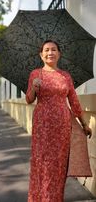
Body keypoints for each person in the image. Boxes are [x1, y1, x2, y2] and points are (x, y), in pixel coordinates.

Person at [26, 39, 92, 202]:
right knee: (43, 162)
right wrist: (34, 88)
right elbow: (28, 99)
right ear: (41, 55)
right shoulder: (36, 74)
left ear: (59, 54)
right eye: (47, 50)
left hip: (62, 125)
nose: (50, 53)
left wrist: (84, 123)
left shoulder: (65, 76)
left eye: (53, 49)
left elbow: (74, 101)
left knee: (59, 164)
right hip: (42, 124)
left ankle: (55, 198)